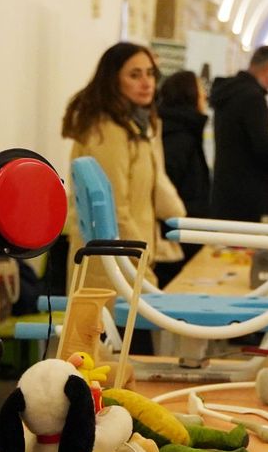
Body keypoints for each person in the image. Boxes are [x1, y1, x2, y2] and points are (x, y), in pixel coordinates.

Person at [60, 41, 186, 284]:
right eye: (134, 75)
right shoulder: (108, 132)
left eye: (150, 73)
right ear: (113, 80)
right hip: (112, 265)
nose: (146, 82)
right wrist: (142, 259)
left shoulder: (135, 127)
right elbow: (113, 209)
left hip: (129, 259)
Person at [208, 45, 268, 222]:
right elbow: (262, 145)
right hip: (249, 193)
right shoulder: (252, 98)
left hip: (227, 189)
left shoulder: (230, 93)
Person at [156, 70, 211, 285]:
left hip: (184, 231)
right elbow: (166, 186)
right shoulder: (179, 137)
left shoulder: (181, 131)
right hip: (177, 235)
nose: (204, 97)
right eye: (200, 91)